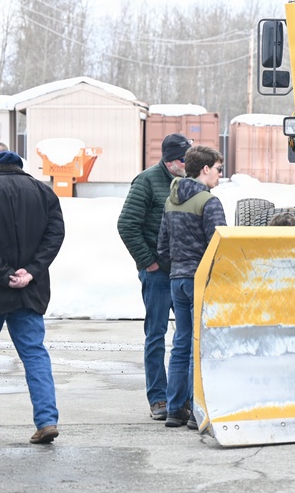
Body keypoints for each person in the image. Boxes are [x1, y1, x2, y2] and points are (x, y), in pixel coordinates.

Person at [0, 142, 65, 445]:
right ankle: (46, 421)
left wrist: (3, 274)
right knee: (34, 353)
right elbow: (55, 234)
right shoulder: (42, 191)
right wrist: (30, 271)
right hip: (28, 291)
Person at [116, 132, 191, 421]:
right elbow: (127, 225)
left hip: (184, 273)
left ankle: (183, 398)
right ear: (170, 161)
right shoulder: (147, 181)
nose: (187, 165)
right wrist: (148, 263)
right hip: (158, 274)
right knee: (156, 335)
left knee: (187, 336)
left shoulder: (190, 181)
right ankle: (158, 398)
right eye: (183, 160)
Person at [157, 145, 226, 429]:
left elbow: (162, 246)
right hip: (201, 281)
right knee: (200, 346)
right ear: (205, 169)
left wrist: (178, 266)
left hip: (177, 279)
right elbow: (220, 247)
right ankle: (197, 411)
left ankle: (175, 409)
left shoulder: (171, 200)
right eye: (218, 169)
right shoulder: (209, 202)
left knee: (181, 343)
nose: (220, 175)